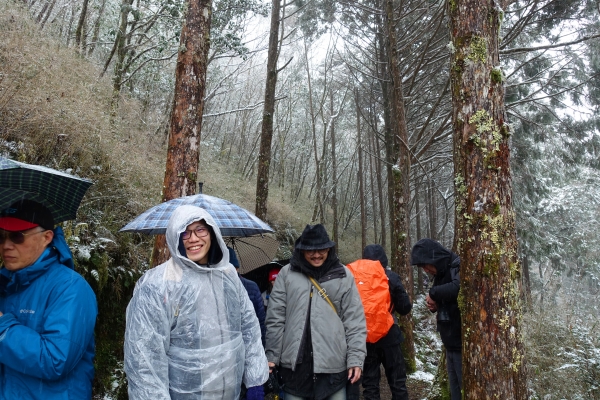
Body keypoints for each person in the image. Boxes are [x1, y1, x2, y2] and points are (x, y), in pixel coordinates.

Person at [124, 205, 268, 400]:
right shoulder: (158, 285)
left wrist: (255, 379)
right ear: (175, 236)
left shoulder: (228, 276)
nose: (193, 238)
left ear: (212, 232)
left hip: (230, 393)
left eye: (200, 229)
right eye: (185, 232)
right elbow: (144, 357)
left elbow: (249, 328)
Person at [0, 199, 97, 399]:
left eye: (18, 236)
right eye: (1, 236)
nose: (6, 245)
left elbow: (55, 360)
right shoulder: (5, 284)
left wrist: (2, 326)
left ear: (47, 237)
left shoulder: (71, 289)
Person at [265, 224, 367, 400]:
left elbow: (354, 321)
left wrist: (356, 359)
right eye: (310, 250)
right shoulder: (286, 274)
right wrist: (272, 356)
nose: (317, 254)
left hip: (333, 368)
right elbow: (276, 319)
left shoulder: (343, 275)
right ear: (301, 250)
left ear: (329, 248)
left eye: (321, 249)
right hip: (294, 368)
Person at [347, 244, 413, 400]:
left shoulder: (353, 277)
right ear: (384, 259)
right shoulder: (390, 276)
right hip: (389, 335)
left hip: (364, 337)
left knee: (370, 385)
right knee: (398, 383)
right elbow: (405, 308)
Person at [411, 238, 461, 400]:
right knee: (455, 391)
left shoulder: (456, 266)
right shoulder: (440, 272)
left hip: (463, 343)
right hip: (450, 343)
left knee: (463, 388)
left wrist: (433, 294)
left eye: (425, 265)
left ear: (434, 258)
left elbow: (458, 288)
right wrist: (436, 305)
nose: (425, 270)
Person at [228, 246, 267, 345]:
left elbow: (261, 320)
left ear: (237, 268)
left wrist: (262, 346)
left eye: (232, 267)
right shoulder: (214, 288)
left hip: (249, 341)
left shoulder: (251, 286)